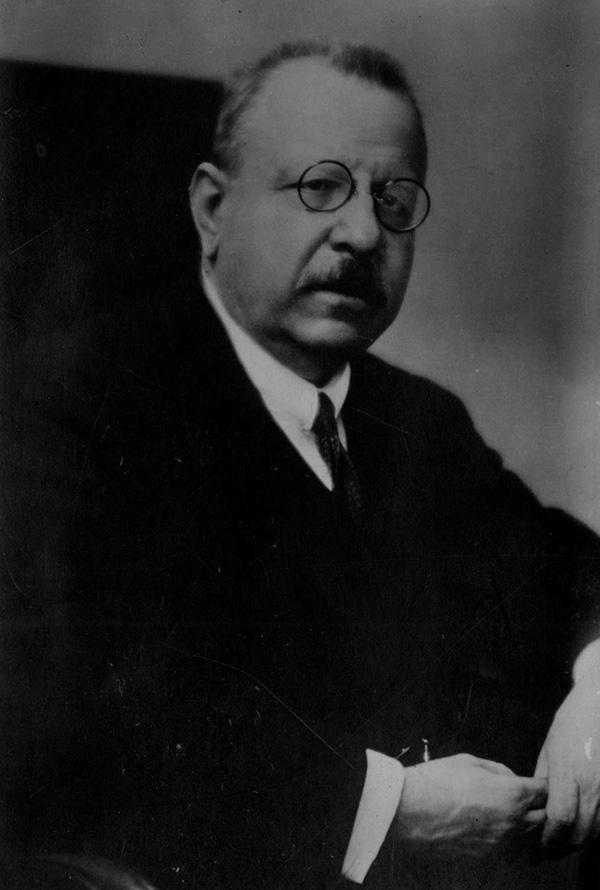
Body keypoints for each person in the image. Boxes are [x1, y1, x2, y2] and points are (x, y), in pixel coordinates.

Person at [7, 41, 600, 890]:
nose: (362, 233)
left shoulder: (417, 420)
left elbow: (558, 567)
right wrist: (387, 807)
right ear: (213, 209)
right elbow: (79, 718)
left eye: (393, 200)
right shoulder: (66, 406)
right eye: (320, 187)